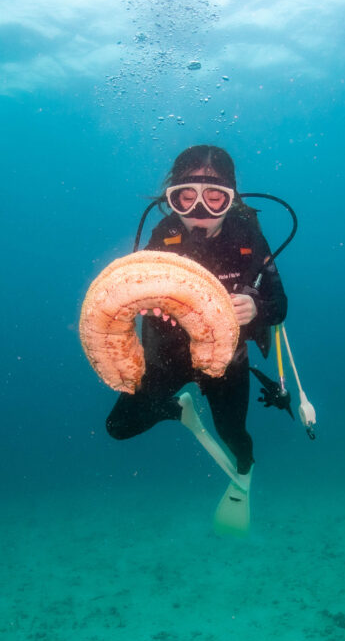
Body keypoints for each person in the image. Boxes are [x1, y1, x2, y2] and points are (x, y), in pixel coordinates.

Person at [105, 145, 288, 533]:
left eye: (214, 197)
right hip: (167, 358)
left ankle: (244, 476)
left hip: (227, 361)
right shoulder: (163, 234)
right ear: (172, 198)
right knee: (118, 427)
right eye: (185, 198)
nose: (199, 210)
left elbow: (280, 304)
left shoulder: (249, 237)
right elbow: (137, 291)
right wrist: (149, 305)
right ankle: (178, 409)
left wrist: (255, 307)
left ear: (231, 199)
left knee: (234, 435)